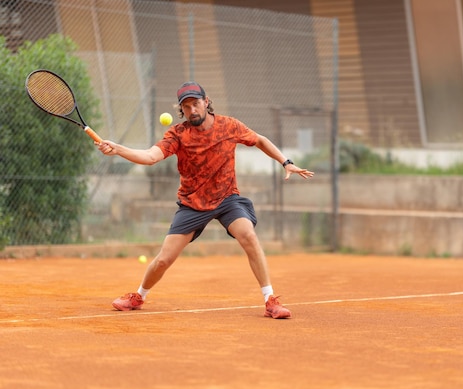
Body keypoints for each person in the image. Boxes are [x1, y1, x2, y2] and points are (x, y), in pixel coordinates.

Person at [96, 81, 314, 319]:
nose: (192, 110)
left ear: (206, 102)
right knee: (164, 260)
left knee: (248, 235)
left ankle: (270, 300)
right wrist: (118, 149)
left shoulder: (228, 126)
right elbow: (150, 156)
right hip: (192, 204)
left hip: (226, 198)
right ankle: (139, 296)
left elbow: (260, 140)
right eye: (186, 106)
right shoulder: (178, 135)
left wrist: (286, 162)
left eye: (196, 104)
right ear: (181, 110)